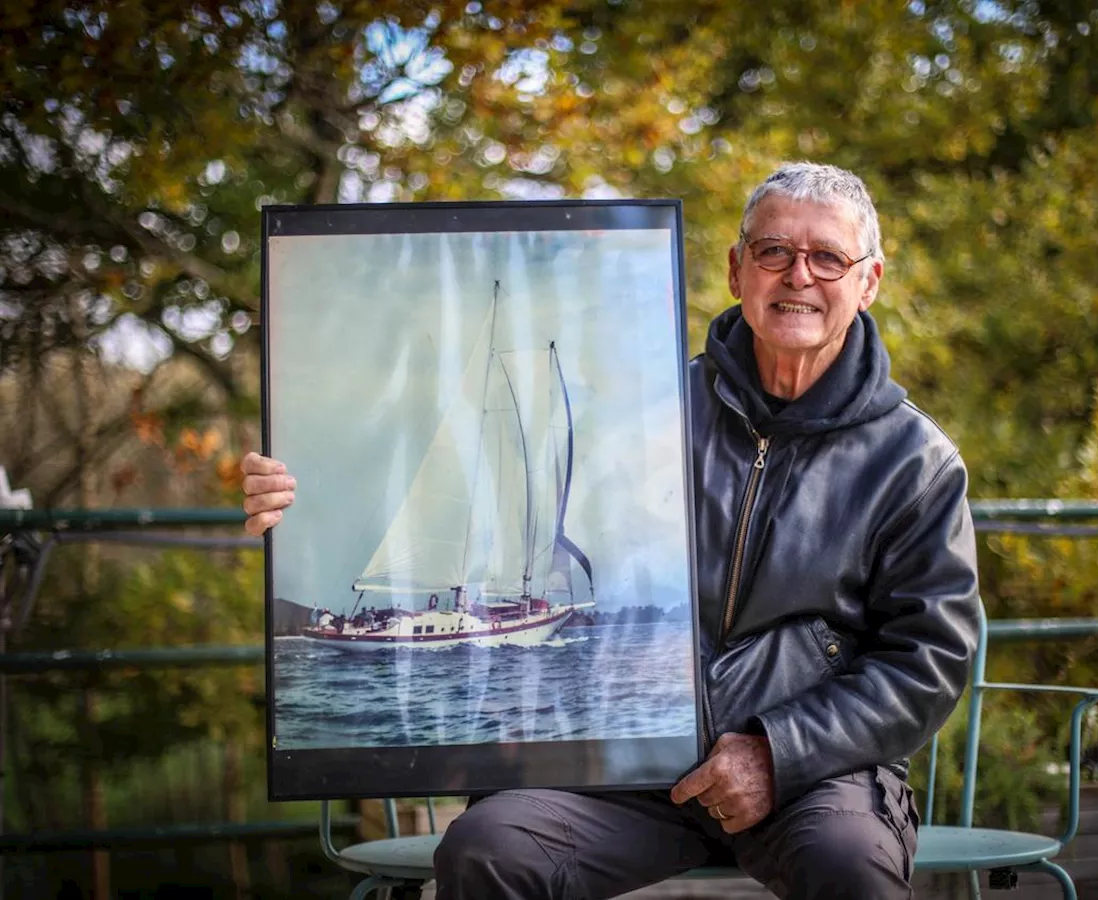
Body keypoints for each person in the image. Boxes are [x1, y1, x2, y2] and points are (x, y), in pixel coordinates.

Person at [241, 162, 982, 898]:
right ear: (736, 269)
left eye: (827, 257)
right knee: (487, 848)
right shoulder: (648, 415)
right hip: (626, 766)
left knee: (851, 867)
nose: (798, 276)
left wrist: (775, 750)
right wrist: (297, 501)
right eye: (773, 252)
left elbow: (930, 659)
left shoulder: (915, 461)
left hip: (811, 769)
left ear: (869, 280)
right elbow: (496, 493)